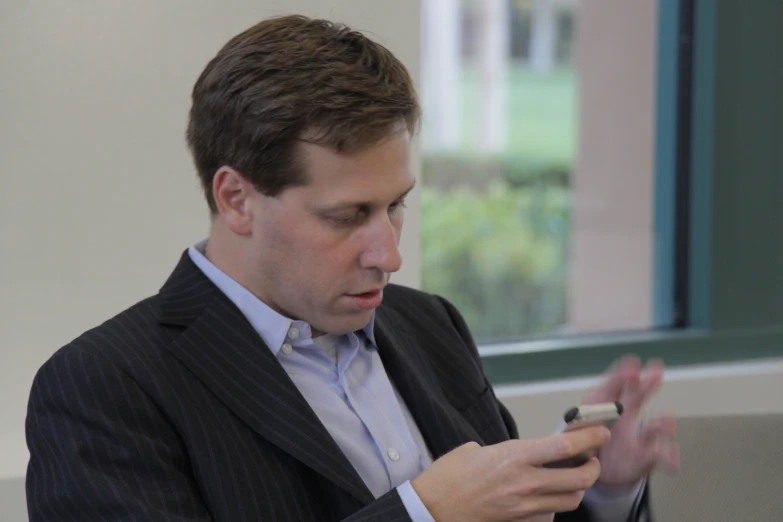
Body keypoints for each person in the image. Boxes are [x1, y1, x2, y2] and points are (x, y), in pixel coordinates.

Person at [25, 14, 679, 522]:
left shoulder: (429, 326)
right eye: (346, 215)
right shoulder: (101, 387)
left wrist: (599, 491)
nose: (388, 254)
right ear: (236, 199)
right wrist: (425, 511)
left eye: (396, 207)